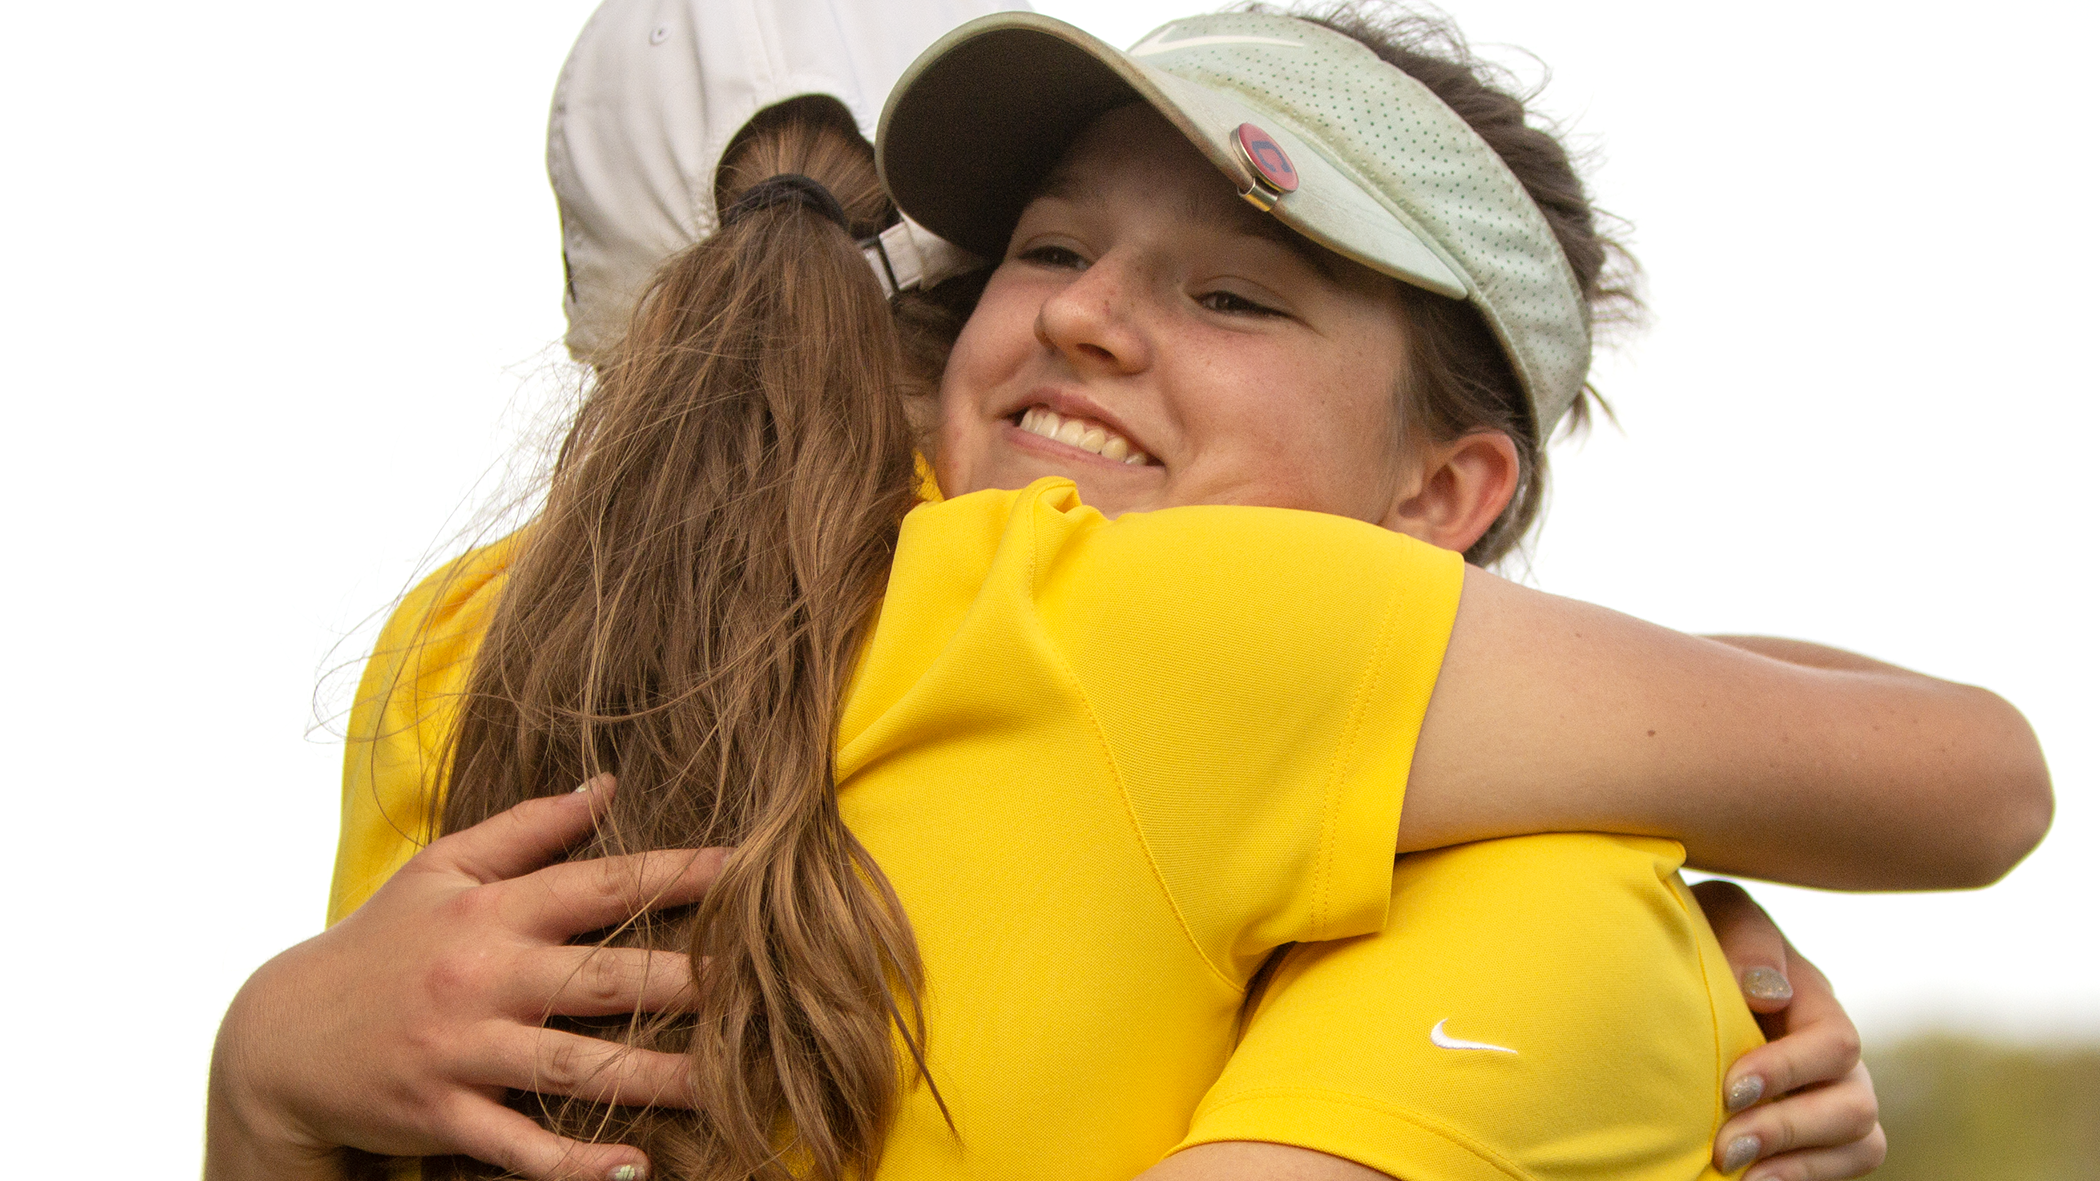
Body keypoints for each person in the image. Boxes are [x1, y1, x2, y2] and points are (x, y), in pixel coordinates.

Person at [205, 4, 2049, 1181]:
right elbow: (1978, 776)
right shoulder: (1199, 641)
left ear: (1446, 492)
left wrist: (256, 1075)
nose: (1087, 312)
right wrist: (1675, 955)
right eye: (1053, 249)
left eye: (1233, 296)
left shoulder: (480, 627)